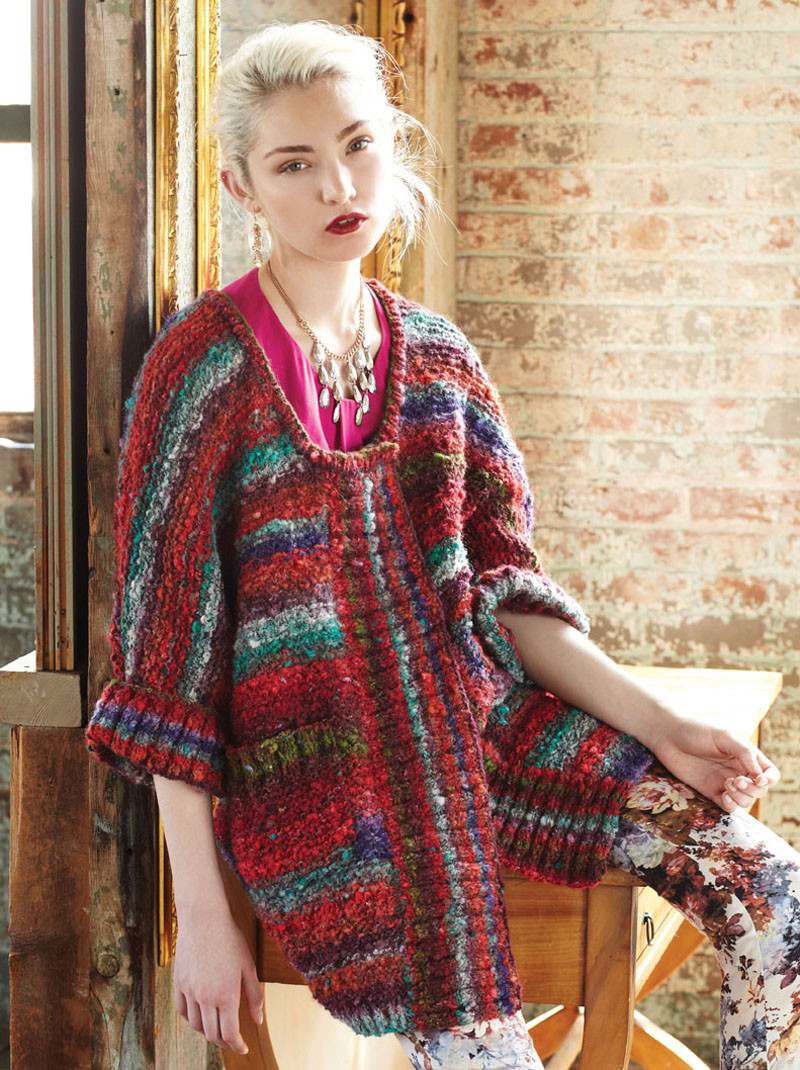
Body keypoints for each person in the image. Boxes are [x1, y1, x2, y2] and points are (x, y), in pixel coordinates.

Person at [84, 18, 800, 1070]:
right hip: (331, 791)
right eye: (295, 163)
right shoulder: (201, 373)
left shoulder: (439, 358)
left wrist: (666, 726)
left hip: (486, 729)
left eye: (359, 144)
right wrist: (200, 907)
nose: (340, 185)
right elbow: (165, 671)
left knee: (776, 896)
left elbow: (508, 591)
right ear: (242, 186)